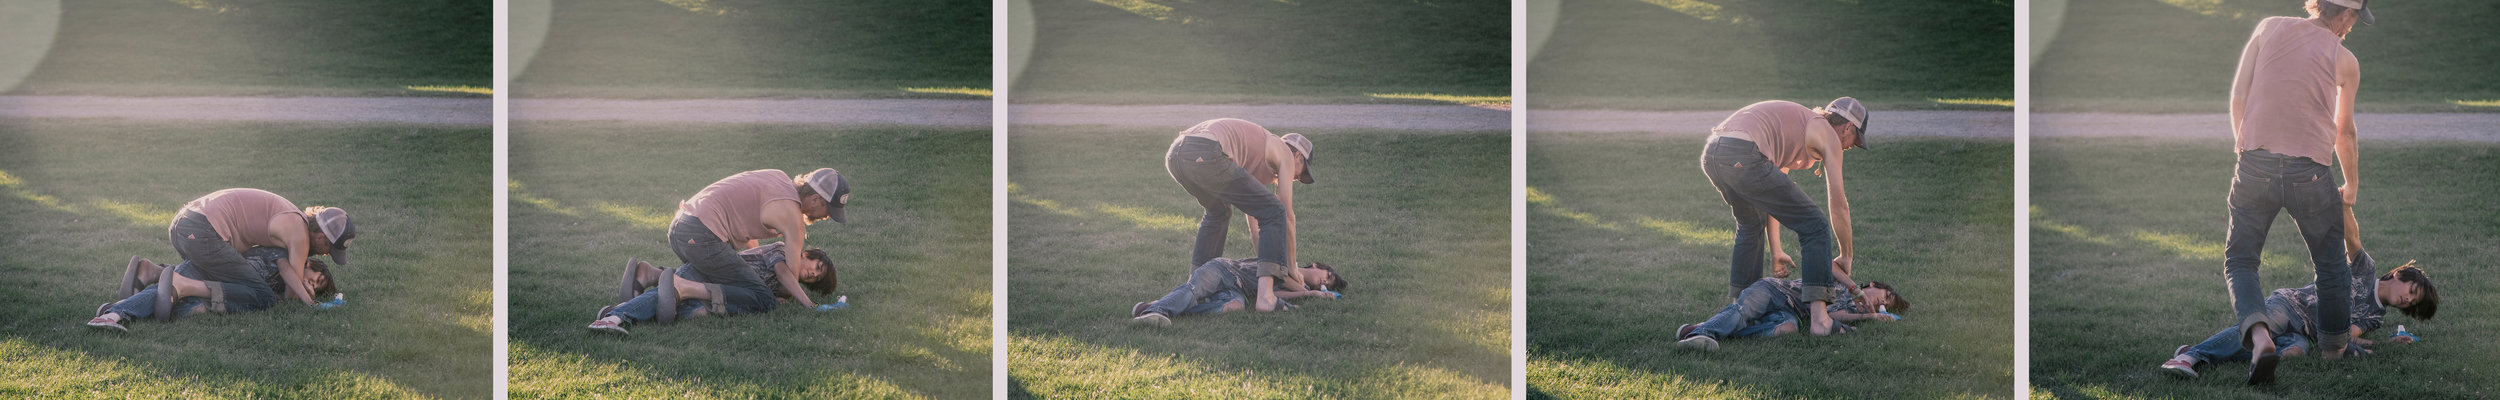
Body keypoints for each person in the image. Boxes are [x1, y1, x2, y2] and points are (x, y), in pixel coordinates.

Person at [2219, 0, 2372, 365]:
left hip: (2255, 162)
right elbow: (2344, 130)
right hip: (2311, 171)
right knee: (2332, 264)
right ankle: (2334, 350)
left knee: (2241, 261)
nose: (2351, 25)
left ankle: (2259, 340)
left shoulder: (2268, 27)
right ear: (2347, 15)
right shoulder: (2345, 60)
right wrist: (2350, 184)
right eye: (2354, 17)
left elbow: (2239, 94)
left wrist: (2245, 148)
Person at [1699, 98, 1870, 336]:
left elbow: (1772, 197)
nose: (1849, 147)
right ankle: (1820, 321)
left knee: (1750, 224)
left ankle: (1742, 309)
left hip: (1715, 153)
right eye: (1854, 141)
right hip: (1743, 153)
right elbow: (1839, 204)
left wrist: (1777, 250)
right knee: (1815, 225)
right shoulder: (1827, 133)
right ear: (1848, 127)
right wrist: (1847, 255)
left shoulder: (1795, 128)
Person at [2156, 257, 2435, 384]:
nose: (2409, 300)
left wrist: (2386, 342)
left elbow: (2347, 333)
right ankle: (2188, 357)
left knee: (2294, 352)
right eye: (2411, 292)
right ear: (2399, 275)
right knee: (2264, 329)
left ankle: (2202, 354)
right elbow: (2352, 241)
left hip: (2305, 333)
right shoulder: (2364, 271)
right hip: (2290, 305)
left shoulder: (2376, 316)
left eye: (2413, 302)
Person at [642, 168, 849, 325]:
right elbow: (789, 280)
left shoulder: (777, 177)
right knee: (763, 298)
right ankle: (681, 296)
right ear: (815, 199)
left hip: (681, 226)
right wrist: (808, 304)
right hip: (702, 236)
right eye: (828, 211)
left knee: (722, 279)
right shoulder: (793, 218)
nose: (825, 217)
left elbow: (748, 238)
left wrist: (744, 269)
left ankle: (653, 276)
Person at [1166, 118, 1318, 314]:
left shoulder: (1254, 156)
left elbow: (1256, 229)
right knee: (1275, 210)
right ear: (1297, 156)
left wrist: (1266, 266)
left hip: (1176, 155)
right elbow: (1287, 216)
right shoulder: (1285, 153)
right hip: (1205, 150)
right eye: (1301, 173)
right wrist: (1292, 267)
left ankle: (1195, 286)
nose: (1296, 178)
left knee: (1218, 212)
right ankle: (1266, 299)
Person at [162, 189, 354, 315]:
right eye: (329, 249)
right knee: (262, 295)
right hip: (203, 231)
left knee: (217, 278)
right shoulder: (300, 235)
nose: (325, 255)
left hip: (185, 224)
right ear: (321, 237)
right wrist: (310, 299)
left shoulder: (292, 216)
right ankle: (185, 293)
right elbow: (290, 293)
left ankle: (153, 273)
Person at [586, 241, 838, 334]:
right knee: (669, 294)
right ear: (804, 254)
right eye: (816, 266)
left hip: (712, 280)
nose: (812, 273)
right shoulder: (782, 251)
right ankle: (615, 316)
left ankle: (648, 277)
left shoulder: (784, 289)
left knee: (675, 302)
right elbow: (782, 273)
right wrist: (811, 305)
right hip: (708, 269)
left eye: (816, 277)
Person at [86, 247, 342, 332]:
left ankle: (151, 273)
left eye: (316, 289)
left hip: (209, 277)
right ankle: (112, 314)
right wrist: (311, 302)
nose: (311, 286)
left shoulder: (274, 290)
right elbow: (288, 271)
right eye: (314, 279)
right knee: (172, 290)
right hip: (206, 269)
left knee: (174, 298)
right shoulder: (284, 256)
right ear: (307, 264)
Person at [1672, 269, 1905, 351]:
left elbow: (1827, 317)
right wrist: (1854, 288)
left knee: (1786, 330)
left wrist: (1870, 315)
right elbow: (1827, 263)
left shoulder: (1856, 311)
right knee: (1744, 312)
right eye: (1884, 297)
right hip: (1774, 290)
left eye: (1885, 306)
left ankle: (1702, 329)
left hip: (1790, 314)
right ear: (1873, 285)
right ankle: (1698, 335)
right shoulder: (1844, 280)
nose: (1879, 303)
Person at [1127, 258, 1345, 327]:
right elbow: (1285, 274)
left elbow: (1271, 295)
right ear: (1317, 265)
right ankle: (1156, 311)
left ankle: (1155, 309)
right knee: (1194, 290)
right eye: (1328, 275)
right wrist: (1305, 292)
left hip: (1237, 292)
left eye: (1327, 284)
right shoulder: (1289, 260)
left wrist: (1308, 293)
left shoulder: (1303, 289)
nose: (1324, 281)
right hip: (1225, 270)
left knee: (1234, 307)